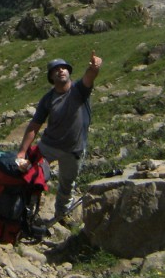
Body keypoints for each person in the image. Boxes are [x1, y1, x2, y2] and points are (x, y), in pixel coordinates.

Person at [16, 52, 102, 225]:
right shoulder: (48, 99)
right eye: (56, 70)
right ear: (51, 77)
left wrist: (94, 68)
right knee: (35, 176)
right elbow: (35, 125)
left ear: (69, 72)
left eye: (63, 68)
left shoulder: (79, 89)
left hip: (74, 148)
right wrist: (22, 151)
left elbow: (89, 77)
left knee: (67, 184)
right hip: (49, 145)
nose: (60, 71)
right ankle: (26, 210)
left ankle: (62, 215)